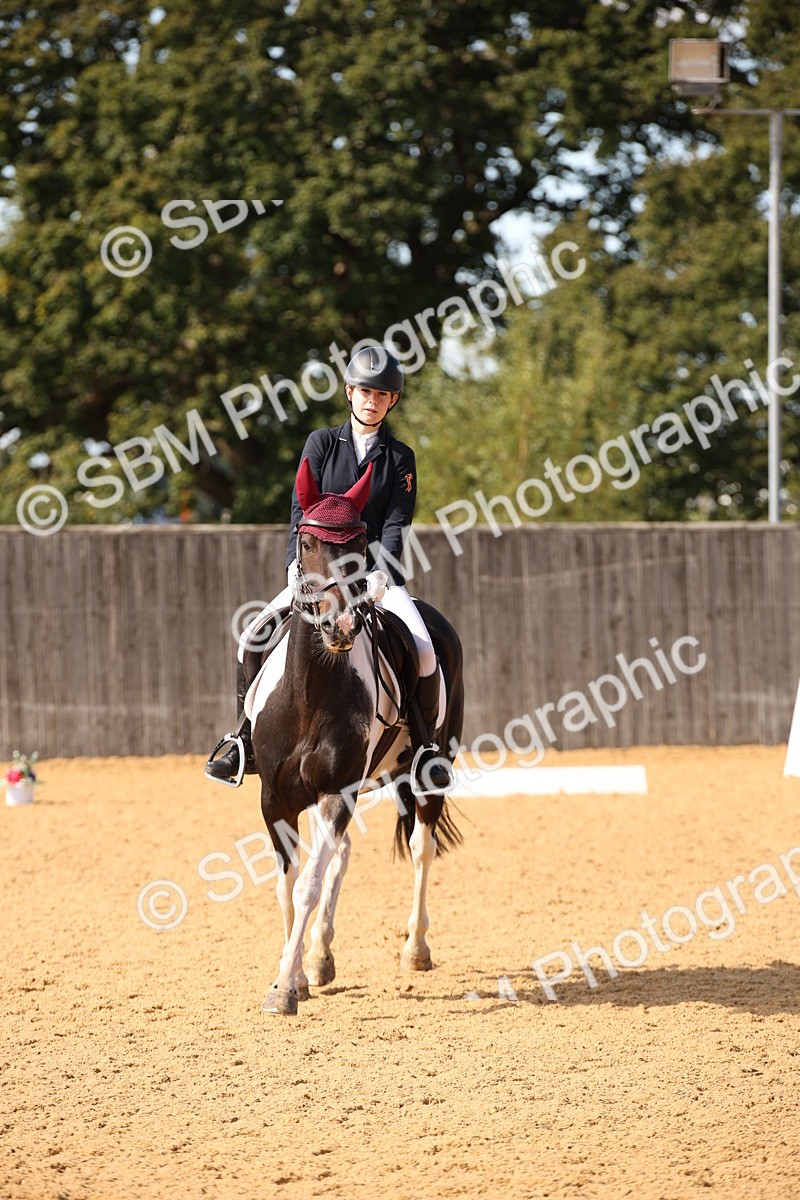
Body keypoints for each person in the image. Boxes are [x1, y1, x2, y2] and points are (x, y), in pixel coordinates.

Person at [205, 345, 453, 793]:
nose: (371, 401)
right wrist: (292, 566)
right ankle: (242, 738)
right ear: (349, 392)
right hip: (318, 574)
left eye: (381, 395)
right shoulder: (321, 443)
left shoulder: (400, 458)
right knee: (253, 636)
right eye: (364, 392)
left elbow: (397, 521)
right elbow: (301, 510)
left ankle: (424, 750)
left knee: (424, 651)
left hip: (374, 577)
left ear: (391, 401)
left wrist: (382, 571)